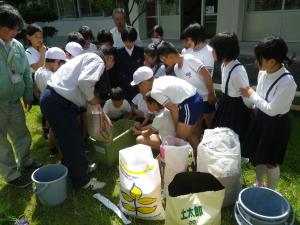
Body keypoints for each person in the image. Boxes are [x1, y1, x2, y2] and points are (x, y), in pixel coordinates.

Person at [40, 52, 108, 190]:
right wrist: (92, 100)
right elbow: (84, 82)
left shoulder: (82, 59)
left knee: (71, 139)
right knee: (72, 142)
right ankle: (83, 182)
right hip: (58, 101)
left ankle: (78, 169)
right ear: (107, 59)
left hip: (53, 99)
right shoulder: (98, 61)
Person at [240, 36, 297, 190]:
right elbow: (261, 94)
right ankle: (259, 184)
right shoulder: (264, 73)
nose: (256, 62)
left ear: (272, 61)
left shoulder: (287, 82)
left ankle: (271, 191)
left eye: (260, 59)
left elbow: (272, 110)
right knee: (258, 156)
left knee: (271, 162)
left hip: (276, 124)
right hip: (260, 118)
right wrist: (253, 101)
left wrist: (251, 94)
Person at [0, 4, 42, 188]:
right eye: (11, 29)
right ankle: (11, 174)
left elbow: (25, 73)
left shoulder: (17, 46)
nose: (15, 33)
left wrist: (27, 95)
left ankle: (25, 161)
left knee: (21, 133)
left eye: (17, 29)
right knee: (1, 142)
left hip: (15, 101)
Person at [131, 66, 203, 150]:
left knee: (177, 141)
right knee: (190, 135)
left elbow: (173, 109)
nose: (140, 89)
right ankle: (199, 158)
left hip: (189, 104)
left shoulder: (155, 91)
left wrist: (176, 129)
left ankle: (183, 161)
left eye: (139, 86)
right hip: (196, 98)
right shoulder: (161, 80)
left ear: (143, 83)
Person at [157, 42, 217, 130]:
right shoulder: (176, 68)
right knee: (197, 126)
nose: (164, 63)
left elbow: (206, 75)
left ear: (170, 56)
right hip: (195, 101)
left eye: (163, 60)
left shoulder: (189, 59)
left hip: (206, 98)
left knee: (211, 125)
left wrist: (211, 93)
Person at [209, 32, 251, 143]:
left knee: (232, 138)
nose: (211, 52)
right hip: (225, 103)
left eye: (213, 50)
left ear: (223, 51)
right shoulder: (224, 64)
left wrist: (251, 107)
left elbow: (246, 94)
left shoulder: (238, 71)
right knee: (220, 135)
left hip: (236, 109)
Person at [34, 47, 66, 157]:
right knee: (59, 131)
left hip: (45, 104)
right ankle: (63, 154)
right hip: (55, 105)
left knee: (52, 128)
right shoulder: (52, 76)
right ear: (56, 62)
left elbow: (37, 89)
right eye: (61, 64)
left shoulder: (38, 71)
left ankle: (52, 149)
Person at [117, 26, 144, 101]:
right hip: (124, 85)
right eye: (126, 41)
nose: (128, 43)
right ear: (123, 40)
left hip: (137, 85)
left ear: (134, 40)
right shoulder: (118, 52)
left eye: (131, 41)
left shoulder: (140, 50)